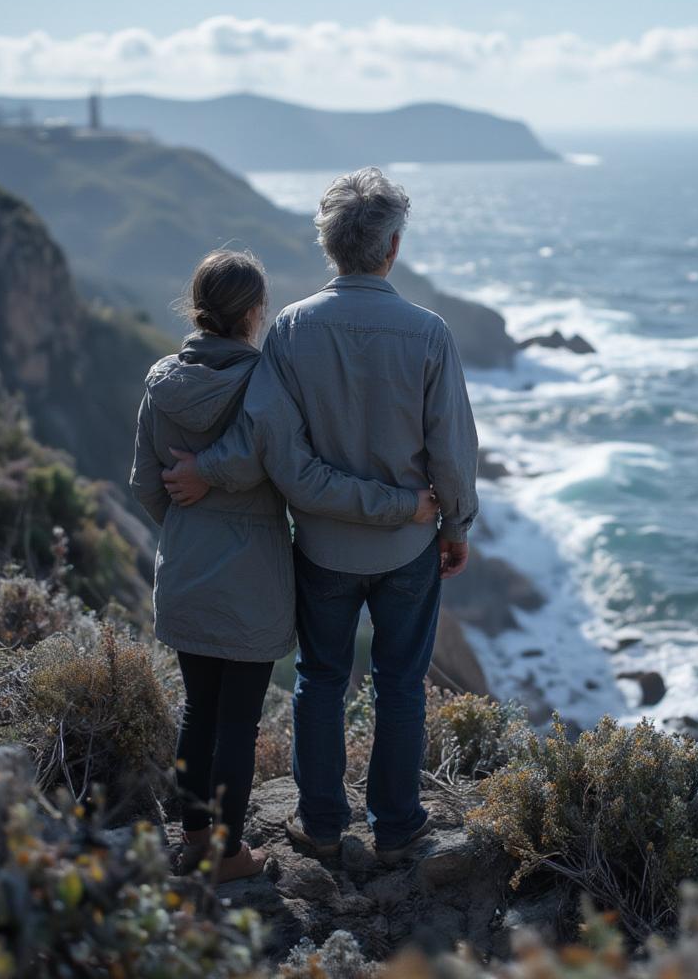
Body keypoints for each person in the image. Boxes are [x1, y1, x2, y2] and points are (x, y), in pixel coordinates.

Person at [163, 168, 479, 864]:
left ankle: (322, 824)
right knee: (401, 684)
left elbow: (277, 454)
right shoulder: (429, 333)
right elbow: (453, 451)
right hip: (406, 545)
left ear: (329, 246)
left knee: (320, 680)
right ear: (391, 248)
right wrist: (453, 525)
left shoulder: (291, 331)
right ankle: (396, 825)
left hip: (323, 548)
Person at [130, 249, 438, 883]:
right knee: (238, 722)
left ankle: (194, 840)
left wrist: (193, 526)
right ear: (253, 312)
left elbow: (145, 485)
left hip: (186, 568)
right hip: (253, 578)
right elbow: (280, 468)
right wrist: (404, 506)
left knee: (197, 710)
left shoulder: (160, 382)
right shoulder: (262, 379)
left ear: (196, 306)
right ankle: (229, 852)